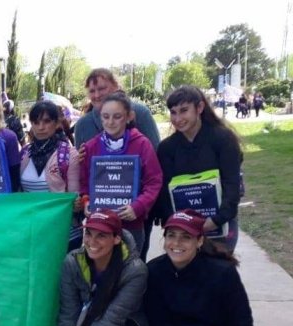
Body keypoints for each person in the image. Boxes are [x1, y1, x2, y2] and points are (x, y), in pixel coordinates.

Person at [73, 68, 161, 261]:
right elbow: (83, 179)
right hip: (100, 221)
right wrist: (86, 201)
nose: (97, 95)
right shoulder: (85, 131)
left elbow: (154, 174)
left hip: (133, 218)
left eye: (102, 88)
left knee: (133, 269)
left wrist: (140, 207)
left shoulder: (141, 129)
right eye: (92, 91)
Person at [153, 85, 243, 253]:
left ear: (200, 108)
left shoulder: (223, 139)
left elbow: (232, 184)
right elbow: (164, 191)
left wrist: (216, 220)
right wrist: (172, 224)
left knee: (219, 272)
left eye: (184, 110)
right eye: (173, 112)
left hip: (219, 224)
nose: (178, 118)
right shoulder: (166, 148)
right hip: (182, 228)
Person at [20, 100, 83, 251]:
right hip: (34, 234)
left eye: (46, 121)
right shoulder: (24, 153)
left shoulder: (68, 154)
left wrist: (77, 204)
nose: (41, 127)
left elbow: (74, 198)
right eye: (36, 122)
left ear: (56, 123)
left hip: (64, 235)